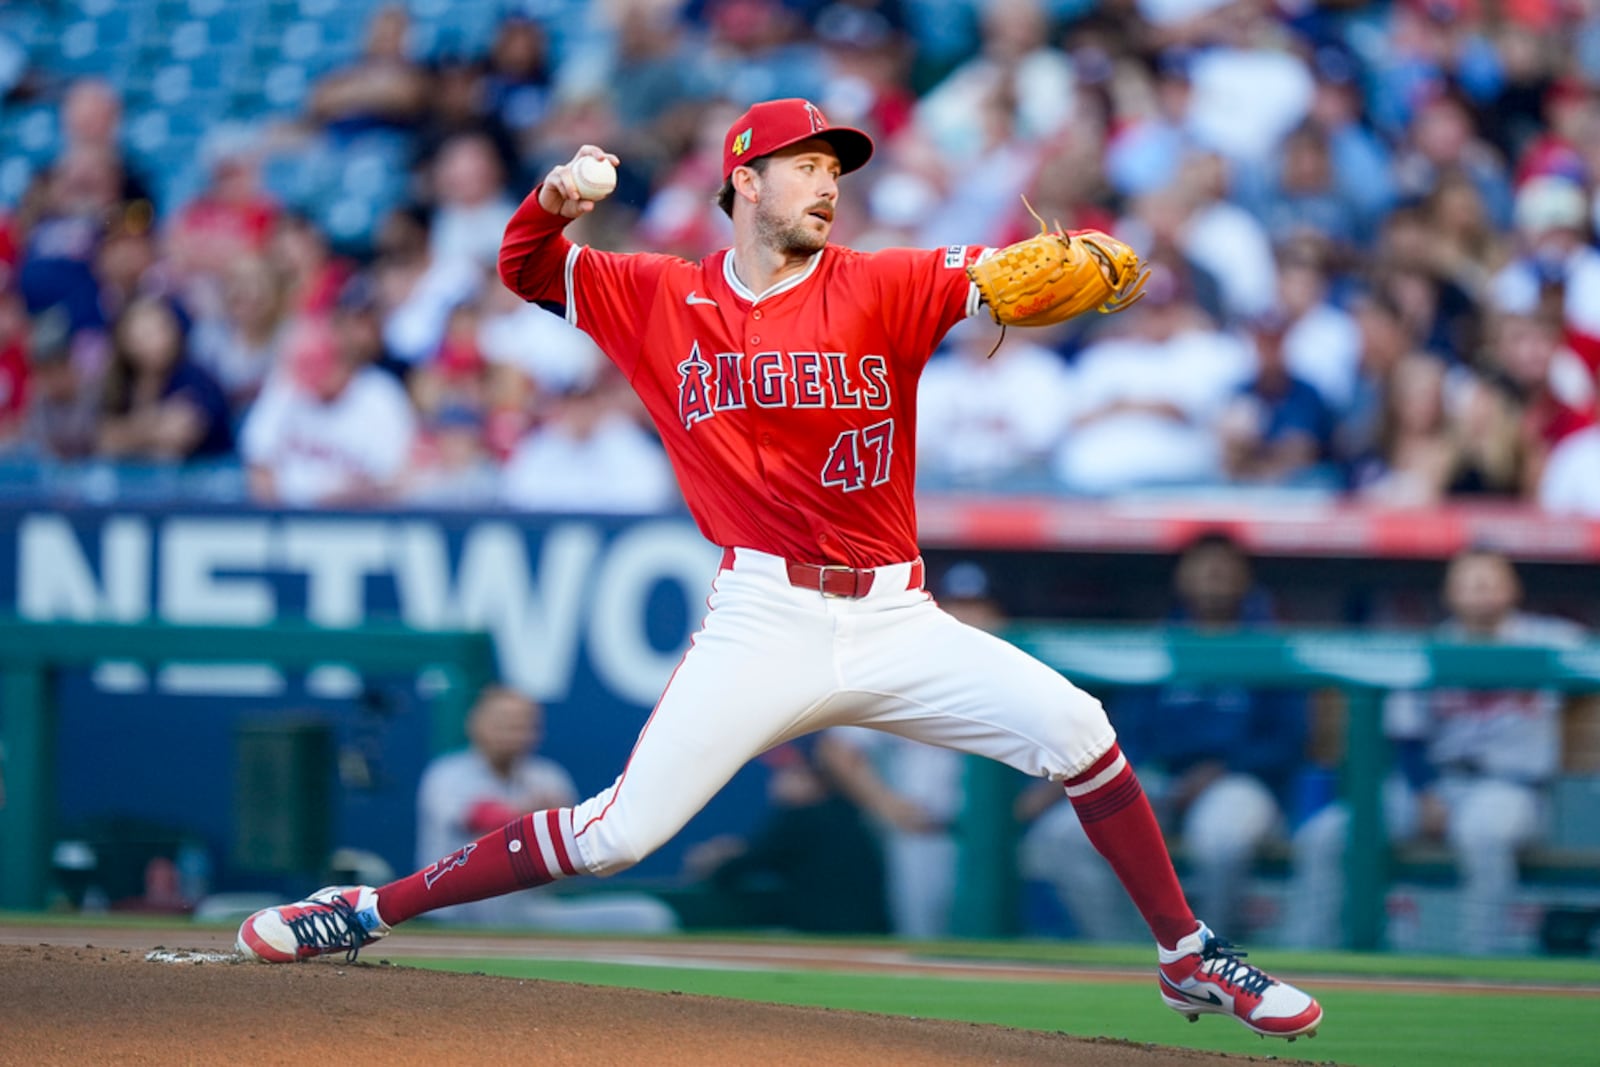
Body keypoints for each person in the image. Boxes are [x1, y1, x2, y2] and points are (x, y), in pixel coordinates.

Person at [237, 97, 1321, 1041]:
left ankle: (1185, 949)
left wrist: (1059, 263)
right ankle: (366, 906)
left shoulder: (883, 282)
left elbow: (991, 278)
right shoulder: (658, 297)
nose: (826, 185)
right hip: (767, 612)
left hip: (897, 613)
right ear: (742, 181)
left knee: (1080, 727)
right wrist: (559, 198)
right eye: (804, 164)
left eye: (836, 168)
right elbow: (524, 269)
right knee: (619, 832)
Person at [1289, 548, 1586, 955]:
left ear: (1513, 589)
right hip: (1433, 785)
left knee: (1483, 833)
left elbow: (1589, 661)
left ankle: (1483, 966)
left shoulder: (1550, 640)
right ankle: (1309, 958)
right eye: (1469, 583)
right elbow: (1406, 735)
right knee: (1327, 835)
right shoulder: (1433, 647)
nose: (1480, 592)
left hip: (1510, 788)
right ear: (1450, 594)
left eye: (1490, 581)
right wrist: (1426, 793)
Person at [1018, 532, 1308, 943]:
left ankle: (1213, 962)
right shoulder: (1157, 640)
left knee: (1220, 839)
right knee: (1062, 836)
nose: (1213, 574)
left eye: (1225, 565)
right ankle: (1133, 953)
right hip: (1160, 777)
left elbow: (1289, 740)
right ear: (1182, 577)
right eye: (1203, 564)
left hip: (1241, 782)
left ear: (1246, 579)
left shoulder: (1273, 642)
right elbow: (1126, 731)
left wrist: (1225, 769)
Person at [814, 561, 1005, 939]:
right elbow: (837, 750)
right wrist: (885, 804)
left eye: (978, 606)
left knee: (996, 945)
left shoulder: (1021, 672)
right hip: (924, 834)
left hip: (994, 837)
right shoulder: (907, 672)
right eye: (957, 605)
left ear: (998, 615)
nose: (968, 616)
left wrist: (1020, 813)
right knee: (923, 943)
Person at [415, 687, 677, 933]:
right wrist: (538, 815)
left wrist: (560, 834)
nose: (512, 732)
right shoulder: (447, 774)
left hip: (525, 909)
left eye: (521, 725)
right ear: (474, 724)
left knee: (650, 916)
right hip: (451, 911)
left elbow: (576, 857)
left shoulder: (547, 777)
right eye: (502, 723)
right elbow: (481, 818)